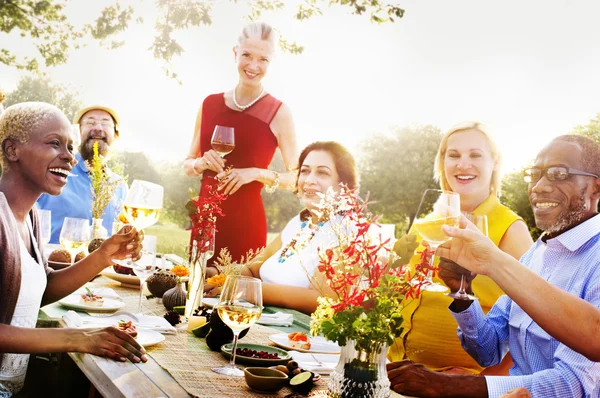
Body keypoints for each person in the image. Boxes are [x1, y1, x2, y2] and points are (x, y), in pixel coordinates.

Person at [387, 134, 600, 397]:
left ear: (596, 188)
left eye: (559, 173)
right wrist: (462, 293)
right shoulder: (536, 253)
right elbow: (488, 350)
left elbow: (575, 384)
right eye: (535, 174)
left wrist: (445, 386)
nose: (540, 187)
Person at [0, 102, 146, 397]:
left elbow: (41, 290)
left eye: (69, 146)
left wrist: (103, 256)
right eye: (54, 144)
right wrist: (76, 337)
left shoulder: (30, 217)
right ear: (12, 150)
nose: (67, 156)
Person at [388, 121, 534, 374]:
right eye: (453, 155)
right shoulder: (427, 222)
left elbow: (533, 327)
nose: (462, 164)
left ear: (495, 162)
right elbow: (396, 287)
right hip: (398, 370)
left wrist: (479, 385)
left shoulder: (512, 229)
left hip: (461, 383)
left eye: (475, 155)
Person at [183, 21, 299, 274]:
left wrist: (256, 173)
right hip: (205, 221)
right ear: (235, 53)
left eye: (263, 59)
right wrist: (201, 163)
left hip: (246, 223)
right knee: (193, 297)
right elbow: (188, 164)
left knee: (237, 303)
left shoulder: (279, 112)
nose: (253, 66)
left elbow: (297, 178)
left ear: (272, 62)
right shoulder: (209, 104)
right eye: (247, 55)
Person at [229, 141, 358, 314]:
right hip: (258, 318)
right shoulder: (299, 222)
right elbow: (252, 270)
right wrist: (219, 276)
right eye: (305, 171)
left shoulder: (346, 232)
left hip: (298, 335)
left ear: (344, 185)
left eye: (322, 172)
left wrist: (247, 290)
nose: (309, 180)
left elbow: (323, 300)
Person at [37, 104, 127, 243]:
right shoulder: (52, 169)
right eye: (90, 122)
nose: (98, 127)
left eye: (105, 123)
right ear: (75, 133)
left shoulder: (120, 186)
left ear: (115, 135)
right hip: (51, 263)